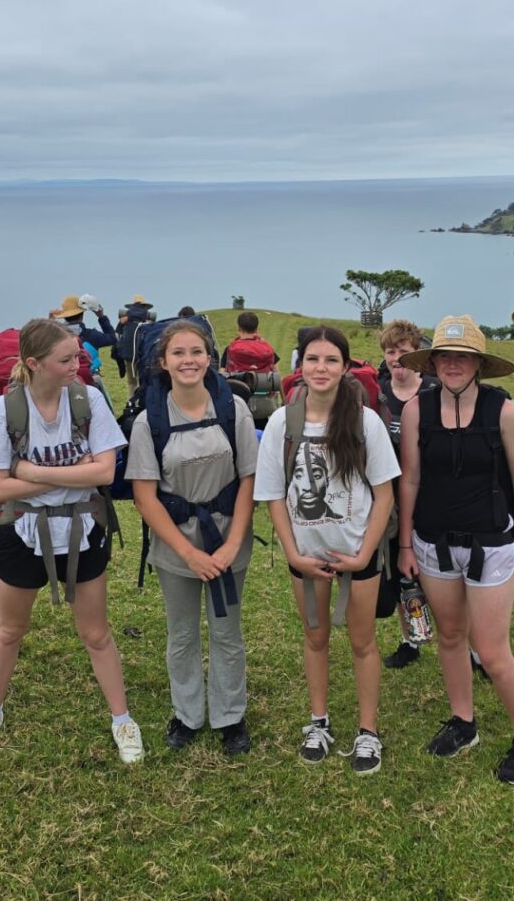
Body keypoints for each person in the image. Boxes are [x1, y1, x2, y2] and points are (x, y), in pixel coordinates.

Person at [0, 318, 143, 761]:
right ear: (33, 364)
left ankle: (123, 720)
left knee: (96, 634)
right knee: (9, 629)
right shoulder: (6, 409)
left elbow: (103, 472)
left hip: (82, 530)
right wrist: (66, 476)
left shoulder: (88, 399)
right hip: (21, 531)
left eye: (78, 356)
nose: (77, 365)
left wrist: (33, 472)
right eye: (66, 359)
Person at [396, 315, 514, 785]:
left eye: (463, 357)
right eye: (445, 356)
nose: (453, 364)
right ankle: (464, 722)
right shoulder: (419, 409)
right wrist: (404, 541)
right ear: (434, 362)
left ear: (478, 364)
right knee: (450, 637)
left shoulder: (503, 411)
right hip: (433, 541)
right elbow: (412, 477)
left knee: (493, 651)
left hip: (491, 542)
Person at [253, 326, 398, 775]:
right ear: (300, 366)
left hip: (358, 553)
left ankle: (368, 731)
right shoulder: (282, 422)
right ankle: (319, 721)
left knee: (362, 642)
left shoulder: (364, 421)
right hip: (308, 554)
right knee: (315, 638)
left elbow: (385, 495)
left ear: (345, 367)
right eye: (313, 359)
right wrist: (293, 553)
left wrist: (363, 554)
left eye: (331, 360)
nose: (321, 368)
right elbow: (274, 494)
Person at [127, 320, 260, 755]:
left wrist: (230, 545)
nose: (189, 360)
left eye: (197, 352)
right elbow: (145, 498)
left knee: (227, 632)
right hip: (175, 544)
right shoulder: (150, 420)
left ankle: (230, 716)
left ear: (209, 358)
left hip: (227, 538)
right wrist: (189, 554)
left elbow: (248, 481)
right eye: (179, 353)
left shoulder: (232, 409)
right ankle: (187, 714)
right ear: (163, 362)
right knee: (181, 634)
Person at [377, 319, 438, 670]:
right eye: (390, 351)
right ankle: (410, 638)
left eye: (404, 351)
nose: (396, 358)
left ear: (417, 354)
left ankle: (471, 648)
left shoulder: (433, 389)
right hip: (391, 499)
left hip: (430, 495)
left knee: (441, 573)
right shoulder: (378, 393)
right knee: (401, 572)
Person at [51, 295, 118, 354]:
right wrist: (101, 317)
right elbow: (113, 338)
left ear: (64, 315)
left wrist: (50, 321)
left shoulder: (55, 336)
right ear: (82, 315)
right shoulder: (92, 335)